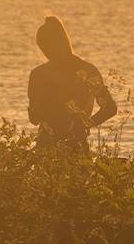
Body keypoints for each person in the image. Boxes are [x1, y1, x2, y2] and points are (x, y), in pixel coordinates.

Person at [26, 16, 117, 152]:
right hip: (47, 146)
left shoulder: (86, 71)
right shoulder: (38, 74)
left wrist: (86, 124)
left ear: (62, 42)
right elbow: (34, 118)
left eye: (48, 47)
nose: (46, 53)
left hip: (75, 144)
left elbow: (109, 107)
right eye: (43, 49)